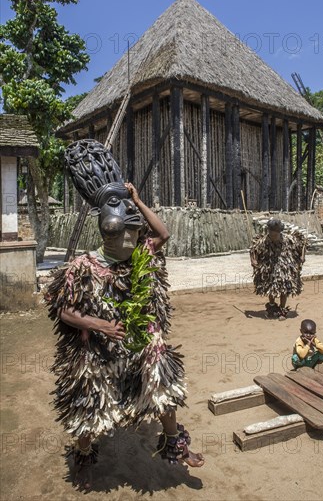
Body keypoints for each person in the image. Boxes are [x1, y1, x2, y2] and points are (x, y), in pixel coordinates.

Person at [46, 140, 204, 490]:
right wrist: (100, 324)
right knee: (88, 403)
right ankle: (85, 453)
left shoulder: (141, 255)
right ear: (109, 234)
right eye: (127, 234)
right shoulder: (82, 267)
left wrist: (136, 199)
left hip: (138, 340)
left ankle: (174, 444)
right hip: (97, 348)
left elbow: (162, 233)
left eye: (135, 233)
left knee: (161, 375)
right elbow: (64, 310)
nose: (135, 240)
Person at [250, 218, 307, 320]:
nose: (273, 237)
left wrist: (302, 256)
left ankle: (282, 310)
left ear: (279, 232)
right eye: (271, 234)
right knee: (271, 289)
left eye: (275, 235)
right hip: (269, 268)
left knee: (283, 289)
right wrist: (253, 261)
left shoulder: (289, 239)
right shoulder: (263, 241)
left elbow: (302, 245)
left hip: (284, 268)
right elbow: (253, 250)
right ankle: (272, 307)